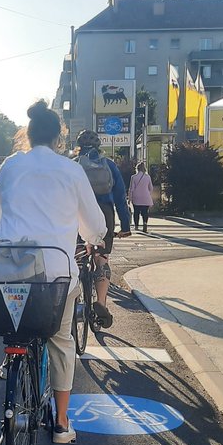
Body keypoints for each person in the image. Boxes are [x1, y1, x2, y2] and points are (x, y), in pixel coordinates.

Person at [0, 101, 107, 444]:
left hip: (8, 272)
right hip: (55, 277)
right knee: (61, 340)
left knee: (15, 324)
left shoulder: (10, 165)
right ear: (59, 138)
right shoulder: (70, 170)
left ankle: (14, 355)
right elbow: (94, 225)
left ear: (29, 134)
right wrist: (93, 241)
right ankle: (62, 423)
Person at [73, 129, 131, 328]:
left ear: (79, 147)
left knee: (77, 256)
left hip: (78, 214)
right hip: (104, 213)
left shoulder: (73, 166)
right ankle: (101, 302)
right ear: (99, 146)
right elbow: (121, 198)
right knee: (101, 259)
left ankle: (75, 292)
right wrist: (125, 225)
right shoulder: (109, 166)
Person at [128, 161, 154, 233]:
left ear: (137, 168)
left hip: (136, 197)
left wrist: (129, 198)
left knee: (136, 212)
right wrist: (148, 194)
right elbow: (151, 188)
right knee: (145, 212)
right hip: (146, 197)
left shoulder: (133, 177)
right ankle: (145, 223)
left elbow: (131, 189)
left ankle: (136, 226)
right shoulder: (148, 177)